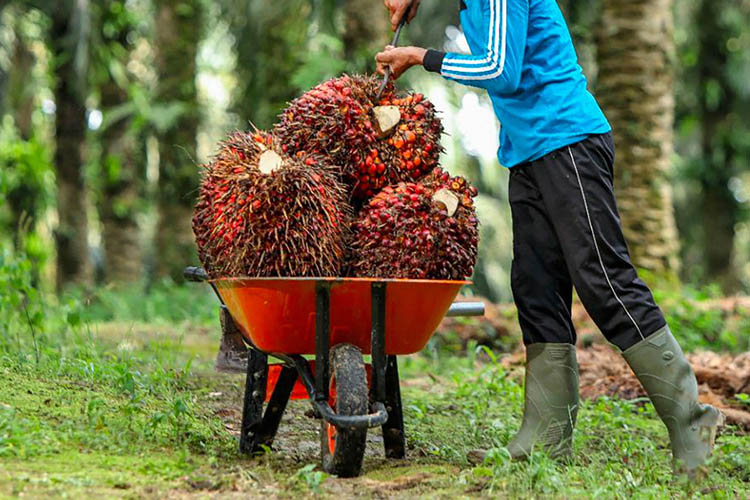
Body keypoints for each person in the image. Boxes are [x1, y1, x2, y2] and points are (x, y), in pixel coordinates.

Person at [377, 0, 723, 477]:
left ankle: (694, 421)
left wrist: (419, 56)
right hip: (530, 152)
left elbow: (500, 70)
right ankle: (546, 436)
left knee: (604, 282)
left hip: (567, 141)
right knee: (536, 289)